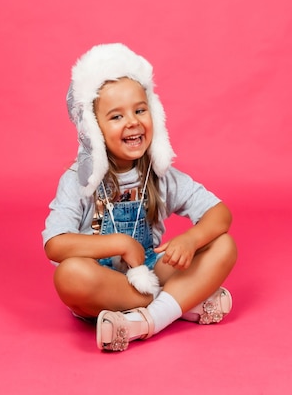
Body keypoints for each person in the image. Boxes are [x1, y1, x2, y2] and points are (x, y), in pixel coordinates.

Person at [42, 43, 237, 352]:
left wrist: (192, 239)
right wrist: (119, 243)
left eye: (140, 110)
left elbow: (220, 212)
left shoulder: (159, 175)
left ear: (154, 115)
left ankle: (145, 322)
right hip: (102, 285)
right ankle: (179, 304)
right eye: (116, 116)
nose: (132, 121)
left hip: (150, 271)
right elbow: (55, 245)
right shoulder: (77, 180)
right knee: (69, 275)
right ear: (93, 130)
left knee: (222, 243)